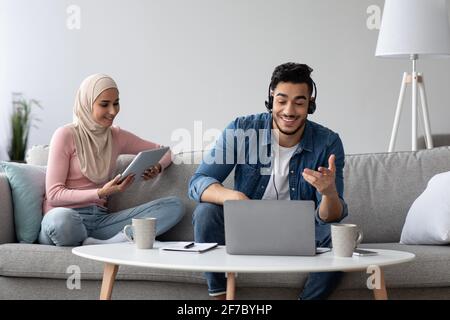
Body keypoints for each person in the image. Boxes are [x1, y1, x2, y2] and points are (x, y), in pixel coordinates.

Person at [188, 62, 348, 300]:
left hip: (299, 233)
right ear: (271, 98)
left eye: (299, 102)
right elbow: (198, 182)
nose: (289, 111)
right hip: (245, 227)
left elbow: (331, 216)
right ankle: (221, 299)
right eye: (282, 101)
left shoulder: (328, 142)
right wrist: (233, 197)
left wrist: (329, 194)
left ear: (310, 104)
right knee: (205, 213)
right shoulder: (241, 130)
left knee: (339, 234)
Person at [39, 74, 185, 246]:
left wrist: (158, 167)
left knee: (174, 206)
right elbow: (55, 195)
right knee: (62, 220)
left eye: (116, 103)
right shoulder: (65, 135)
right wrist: (101, 192)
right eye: (104, 104)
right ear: (87, 103)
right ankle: (113, 243)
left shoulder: (116, 136)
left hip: (99, 222)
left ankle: (102, 242)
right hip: (64, 218)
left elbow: (165, 151)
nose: (113, 111)